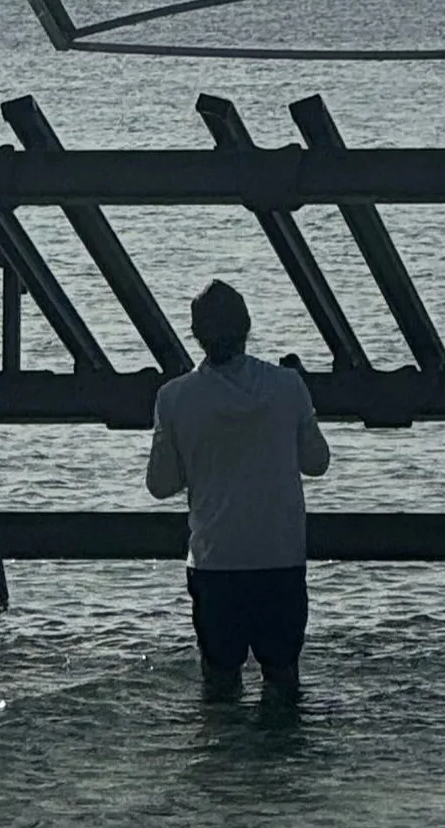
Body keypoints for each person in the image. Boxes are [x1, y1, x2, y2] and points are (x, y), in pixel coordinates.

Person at [146, 280, 331, 701]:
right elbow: (316, 463)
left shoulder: (173, 397)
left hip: (216, 560)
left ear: (196, 335)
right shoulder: (288, 386)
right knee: (283, 680)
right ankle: (280, 764)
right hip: (279, 557)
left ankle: (223, 764)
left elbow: (160, 486)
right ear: (247, 328)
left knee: (220, 684)